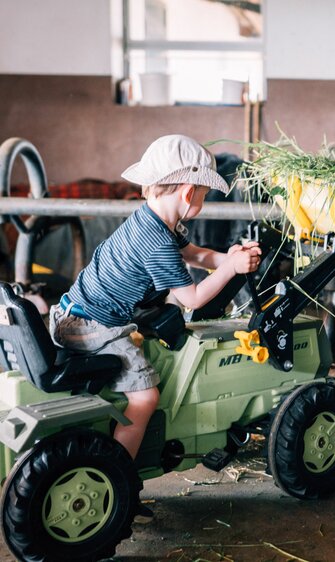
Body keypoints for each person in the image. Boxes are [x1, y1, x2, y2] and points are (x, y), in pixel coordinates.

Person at [48, 134, 261, 521]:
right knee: (145, 397)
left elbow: (194, 255)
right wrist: (230, 268)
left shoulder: (154, 221)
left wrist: (228, 258)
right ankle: (121, 483)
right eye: (204, 195)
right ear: (187, 192)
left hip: (78, 311)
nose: (203, 202)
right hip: (88, 324)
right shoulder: (154, 239)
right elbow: (192, 298)